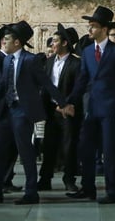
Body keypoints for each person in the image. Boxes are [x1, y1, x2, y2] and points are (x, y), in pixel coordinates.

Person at [65, 5, 115, 204]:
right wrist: (68, 102)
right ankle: (88, 187)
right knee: (86, 148)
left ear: (103, 29)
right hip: (91, 107)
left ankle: (113, 191)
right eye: (89, 26)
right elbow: (82, 80)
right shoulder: (87, 52)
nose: (90, 30)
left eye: (93, 26)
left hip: (111, 108)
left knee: (110, 151)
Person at [0, 21, 66, 204]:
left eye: (7, 39)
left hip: (22, 110)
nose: (3, 43)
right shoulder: (6, 60)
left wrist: (62, 103)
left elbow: (46, 83)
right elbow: (3, 84)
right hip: (7, 110)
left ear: (17, 42)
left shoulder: (30, 60)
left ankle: (31, 192)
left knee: (25, 151)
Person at [37, 24, 80, 192]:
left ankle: (69, 178)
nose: (52, 44)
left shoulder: (76, 64)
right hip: (51, 110)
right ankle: (45, 178)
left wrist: (66, 104)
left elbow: (78, 87)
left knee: (69, 146)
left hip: (68, 111)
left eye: (55, 41)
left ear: (64, 43)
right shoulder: (48, 63)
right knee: (49, 144)